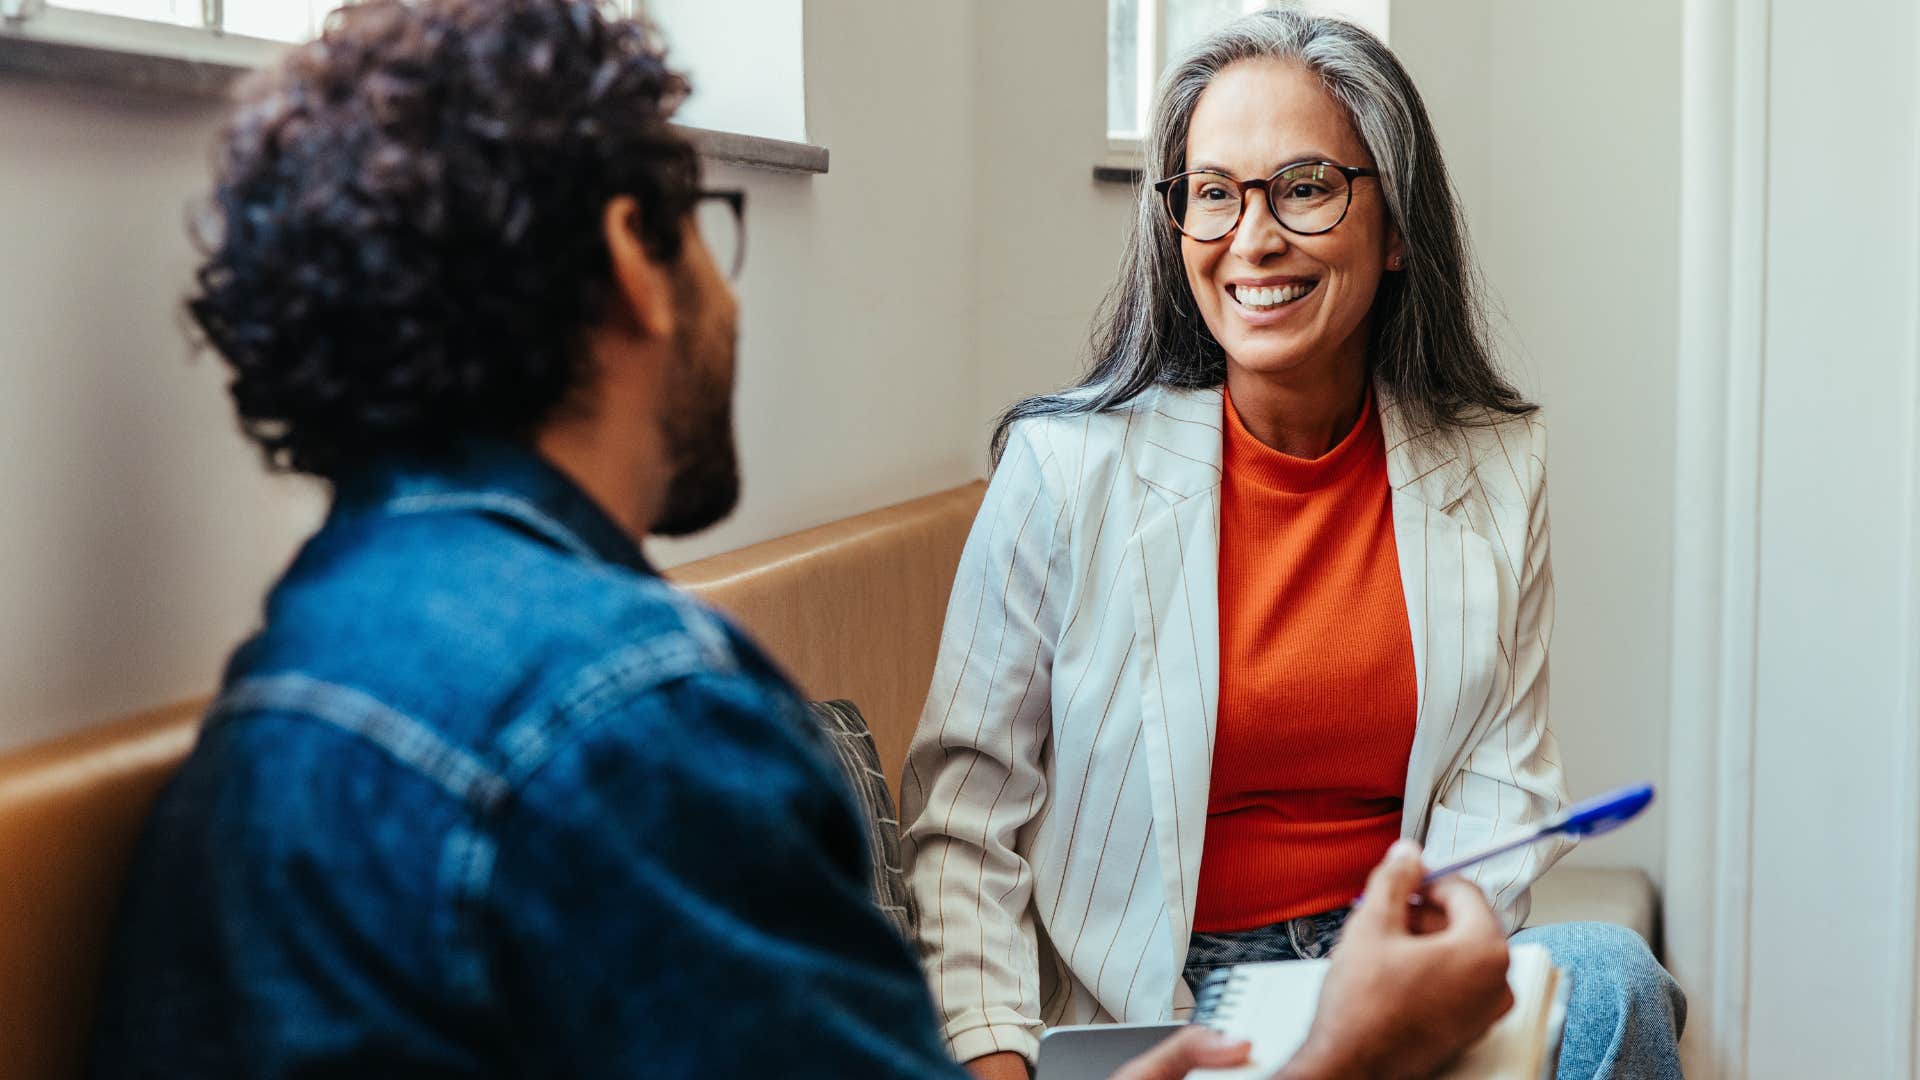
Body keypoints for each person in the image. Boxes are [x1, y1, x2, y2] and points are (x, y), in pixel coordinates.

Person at [84, 0, 1517, 1077]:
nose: (730, 291)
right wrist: (1344, 1065)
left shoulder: (291, 669)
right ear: (636, 266)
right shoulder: (642, 730)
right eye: (707, 222)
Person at [899, 9, 1685, 1080]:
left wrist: (1386, 1002)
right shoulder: (1063, 470)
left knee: (1611, 977)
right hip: (1170, 1014)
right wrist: (996, 1065)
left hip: (1390, 967)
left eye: (1305, 186)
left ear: (1395, 225)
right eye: (1213, 193)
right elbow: (963, 821)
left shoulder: (1499, 467)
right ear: (1175, 227)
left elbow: (1503, 786)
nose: (1252, 237)